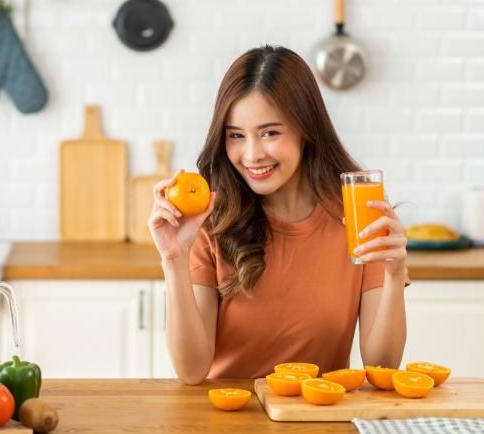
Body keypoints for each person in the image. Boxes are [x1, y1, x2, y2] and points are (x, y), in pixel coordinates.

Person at [148, 45, 409, 384]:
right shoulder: (211, 221)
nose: (252, 154)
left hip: (318, 421)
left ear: (306, 129)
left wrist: (394, 275)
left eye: (270, 133)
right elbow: (191, 371)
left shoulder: (357, 216)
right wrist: (173, 259)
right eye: (236, 136)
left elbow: (383, 366)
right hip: (229, 423)